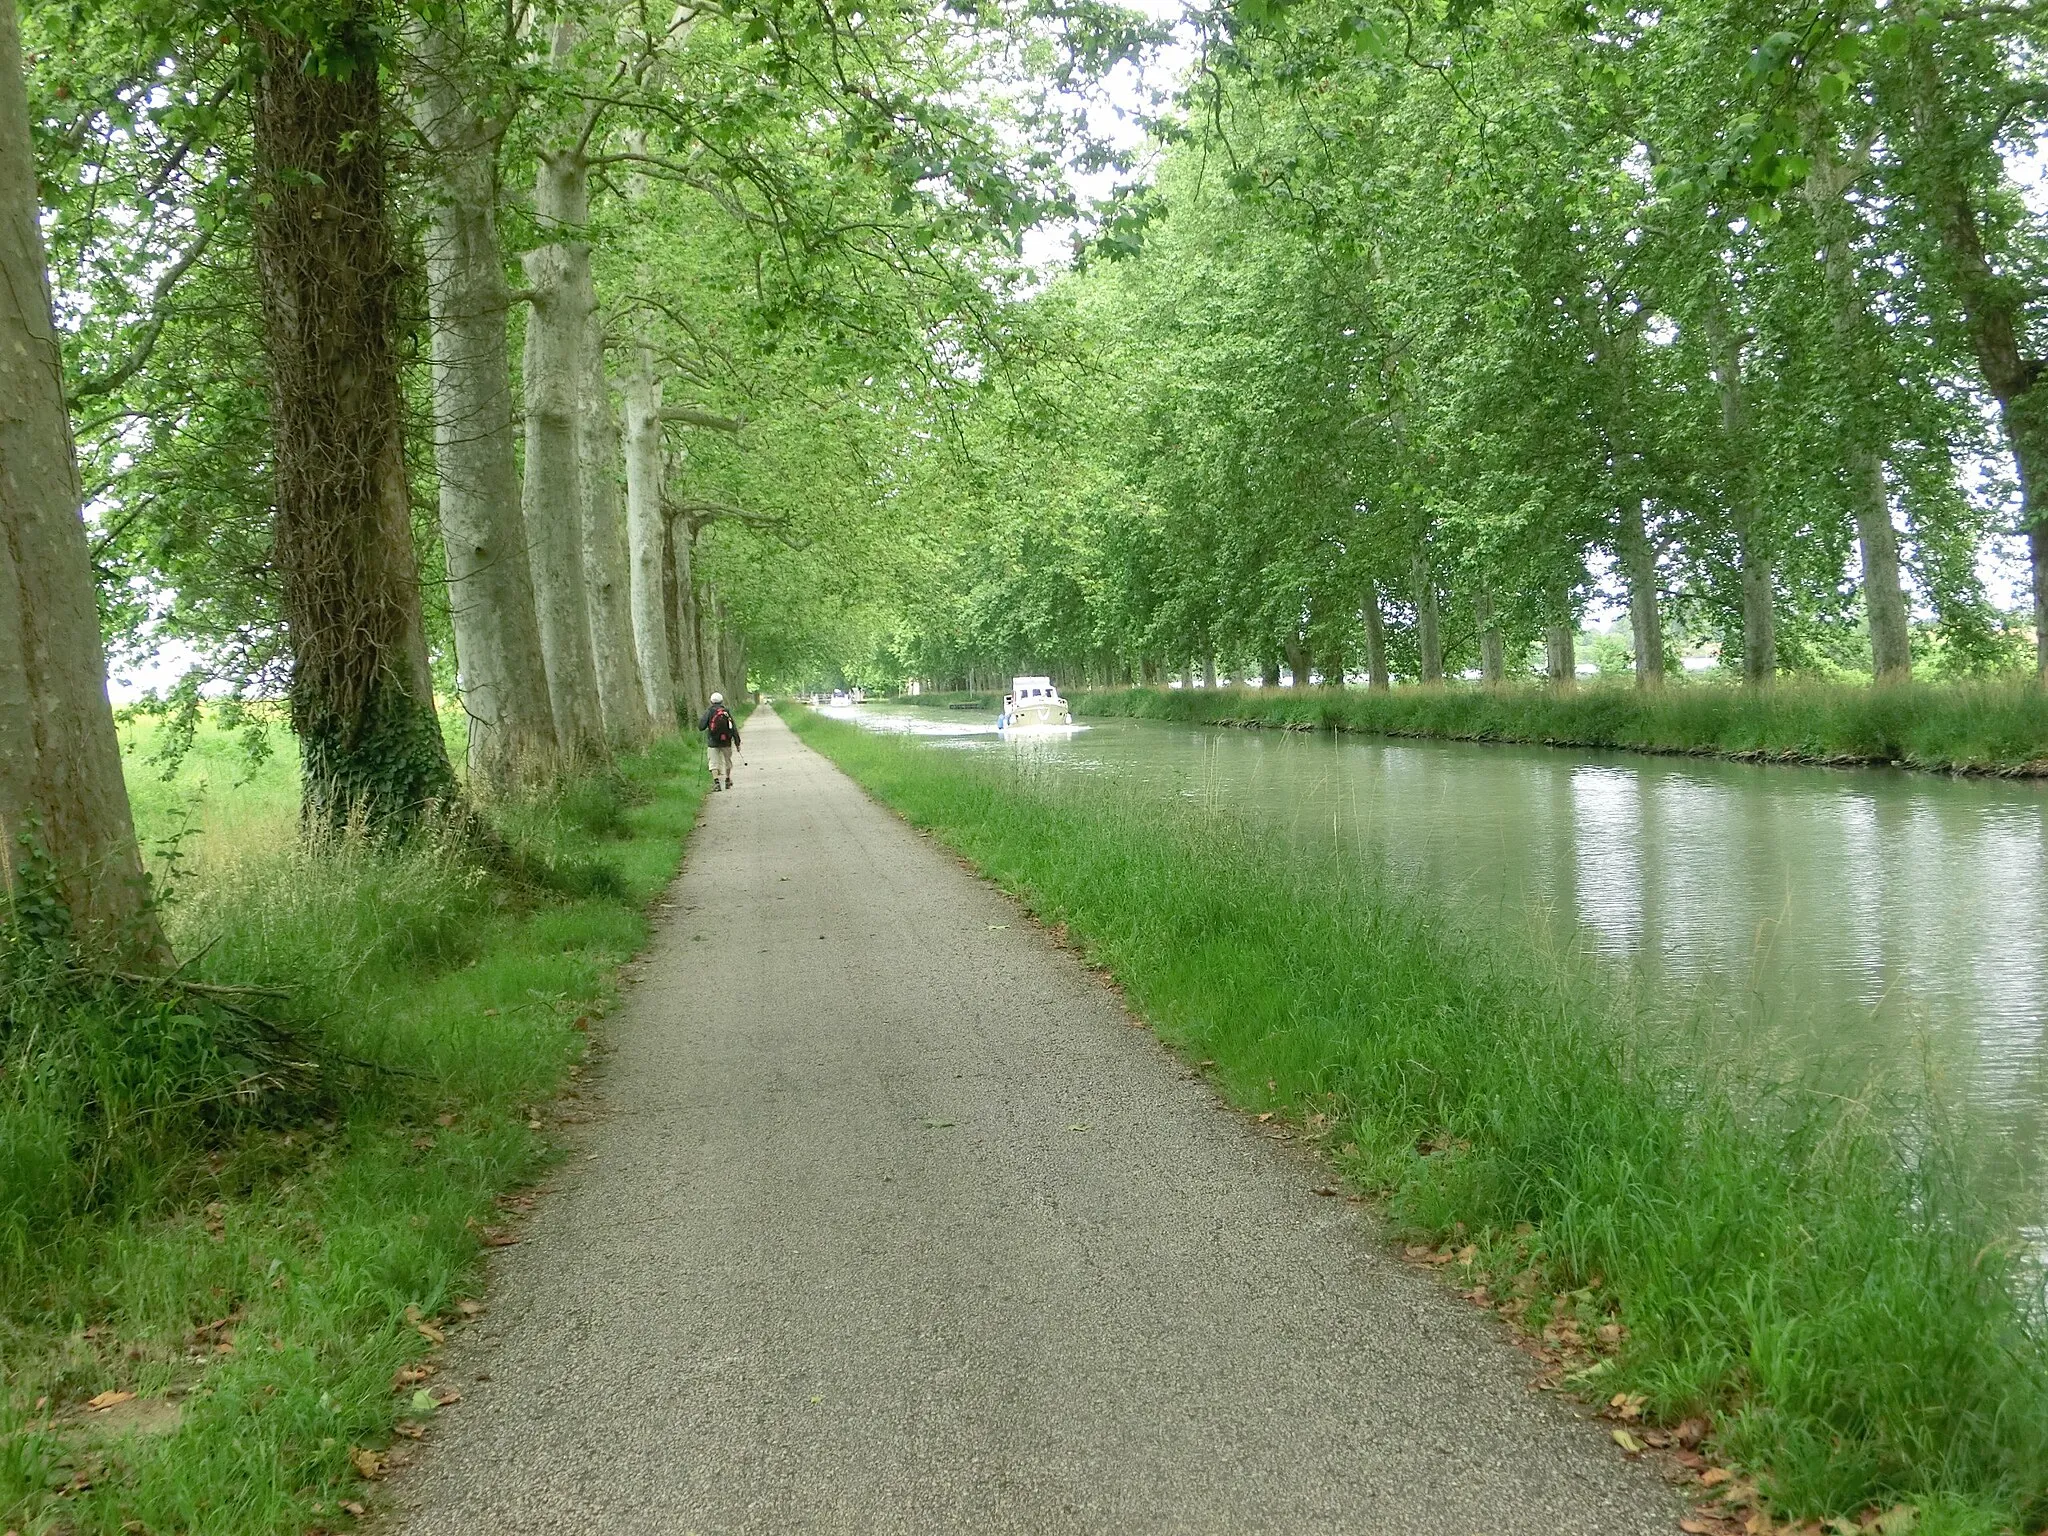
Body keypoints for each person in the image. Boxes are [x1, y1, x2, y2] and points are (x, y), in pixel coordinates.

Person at [700, 692, 740, 790]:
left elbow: (701, 727)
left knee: (713, 762)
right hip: (726, 741)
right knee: (727, 761)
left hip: (713, 741)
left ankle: (716, 783)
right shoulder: (726, 712)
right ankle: (727, 780)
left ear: (711, 701)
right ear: (722, 701)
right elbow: (733, 727)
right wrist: (737, 742)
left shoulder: (709, 711)